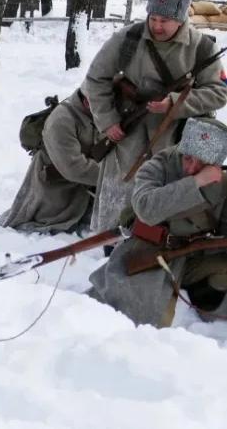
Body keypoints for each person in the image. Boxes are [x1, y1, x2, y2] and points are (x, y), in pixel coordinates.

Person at [81, 0, 227, 232]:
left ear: (180, 20)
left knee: (165, 194)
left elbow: (219, 92)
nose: (157, 26)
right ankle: (108, 239)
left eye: (165, 21)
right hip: (128, 128)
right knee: (121, 188)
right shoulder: (126, 39)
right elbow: (95, 79)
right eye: (154, 18)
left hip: (176, 138)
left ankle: (158, 242)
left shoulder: (203, 48)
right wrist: (107, 120)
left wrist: (175, 104)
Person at [88, 117, 227, 326]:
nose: (191, 167)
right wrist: (197, 181)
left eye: (202, 164)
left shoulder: (223, 182)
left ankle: (205, 299)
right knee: (144, 320)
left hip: (195, 254)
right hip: (150, 252)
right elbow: (145, 209)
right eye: (188, 158)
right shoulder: (158, 166)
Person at [0, 89, 100, 233]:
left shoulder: (100, 112)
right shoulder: (61, 120)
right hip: (54, 191)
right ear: (87, 102)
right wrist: (112, 175)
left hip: (83, 191)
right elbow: (74, 168)